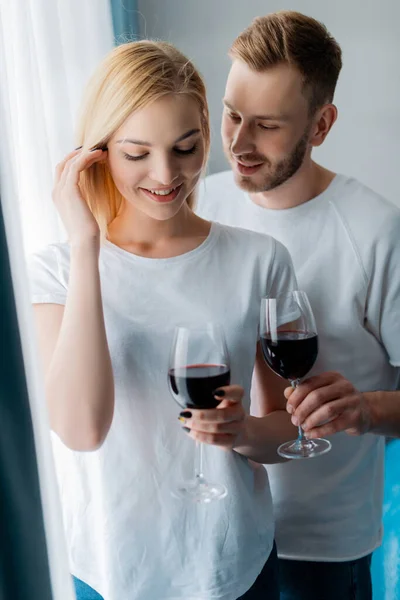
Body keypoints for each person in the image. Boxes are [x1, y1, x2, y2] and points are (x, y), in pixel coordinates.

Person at [28, 40, 300, 600]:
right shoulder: (56, 271)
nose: (166, 174)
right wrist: (86, 247)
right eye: (136, 154)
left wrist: (243, 431)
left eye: (185, 147)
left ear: (206, 131)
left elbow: (286, 428)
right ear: (97, 152)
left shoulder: (259, 259)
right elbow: (82, 430)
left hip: (233, 563)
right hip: (112, 569)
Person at [196, 10, 400, 600]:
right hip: (213, 537)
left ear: (321, 124)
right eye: (232, 114)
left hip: (319, 550)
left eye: (266, 125)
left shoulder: (377, 234)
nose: (236, 143)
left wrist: (364, 408)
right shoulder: (195, 207)